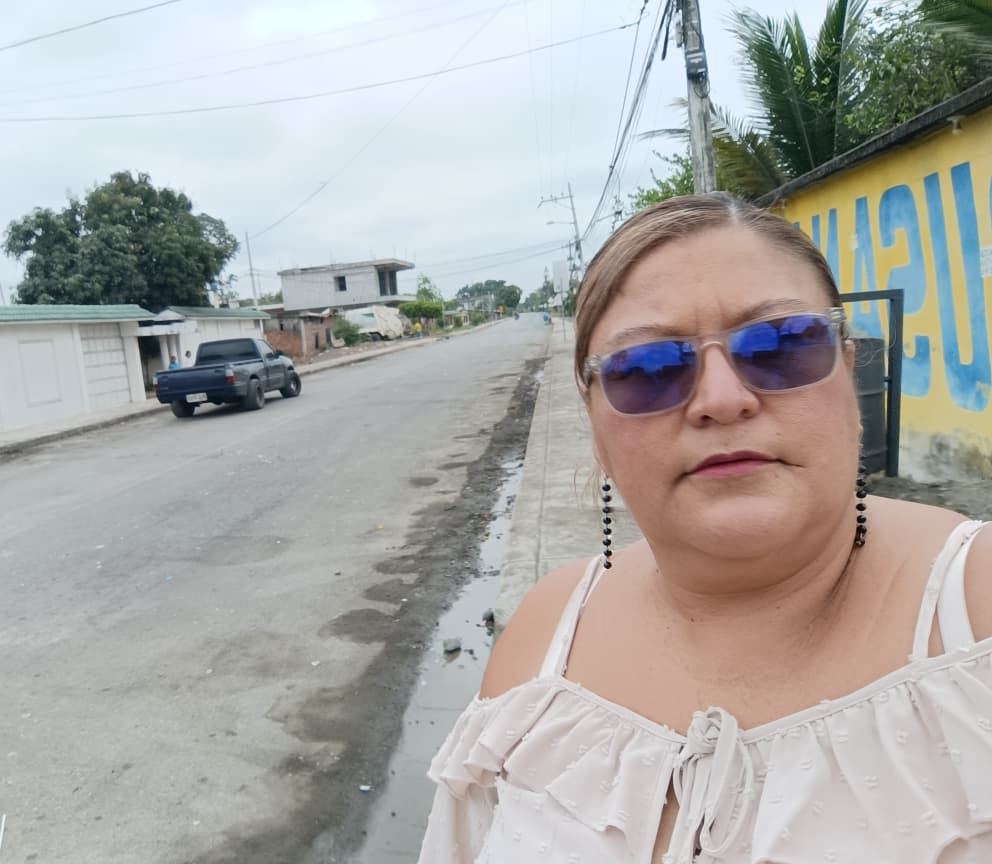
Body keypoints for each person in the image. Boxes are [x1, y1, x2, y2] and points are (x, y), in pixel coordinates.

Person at [418, 193, 991, 863]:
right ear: (595, 423)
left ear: (848, 368)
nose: (722, 400)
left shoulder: (974, 614)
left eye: (782, 344)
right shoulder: (543, 642)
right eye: (649, 369)